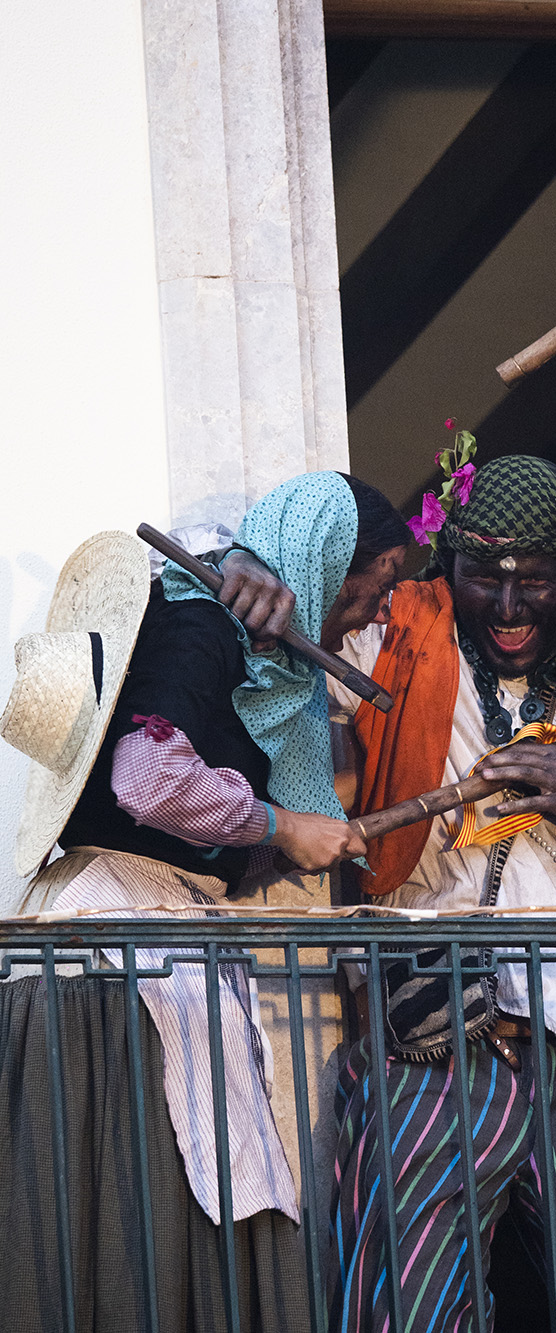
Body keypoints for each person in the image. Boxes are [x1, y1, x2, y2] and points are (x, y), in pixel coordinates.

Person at [0, 471, 408, 1332]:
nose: (379, 610)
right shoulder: (198, 626)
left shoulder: (247, 658)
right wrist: (281, 823)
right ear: (331, 559)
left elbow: (201, 836)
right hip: (114, 973)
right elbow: (147, 778)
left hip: (130, 946)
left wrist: (287, 837)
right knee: (132, 1234)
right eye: (380, 582)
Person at [324, 454, 556, 1332]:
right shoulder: (398, 632)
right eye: (486, 578)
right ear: (452, 568)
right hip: (434, 1040)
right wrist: (250, 567)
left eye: (535, 582)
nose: (509, 608)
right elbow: (300, 606)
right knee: (408, 1308)